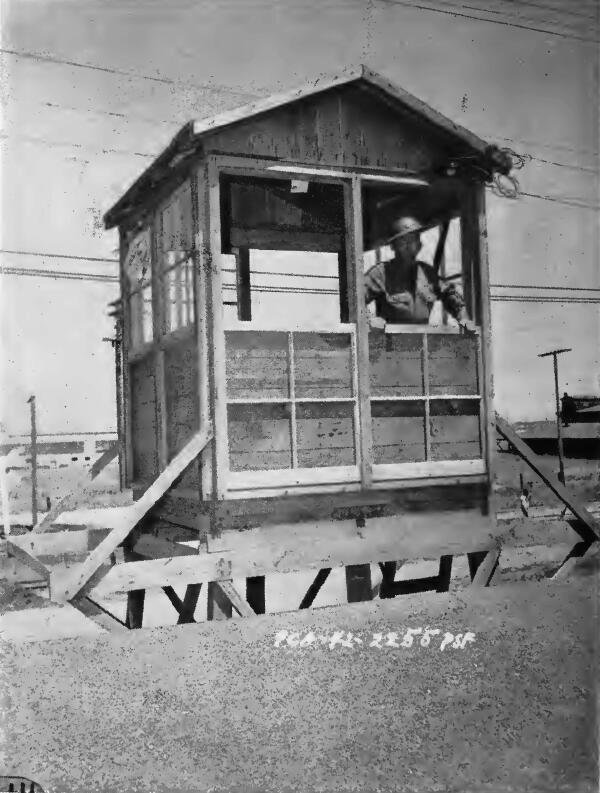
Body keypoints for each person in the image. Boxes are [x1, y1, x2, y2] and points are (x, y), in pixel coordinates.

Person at [364, 216, 466, 325]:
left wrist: (463, 318)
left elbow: (451, 297)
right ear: (392, 246)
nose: (409, 246)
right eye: (403, 241)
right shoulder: (380, 273)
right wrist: (369, 319)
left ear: (419, 245)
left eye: (413, 240)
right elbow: (356, 300)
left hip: (422, 339)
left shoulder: (428, 274)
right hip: (390, 340)